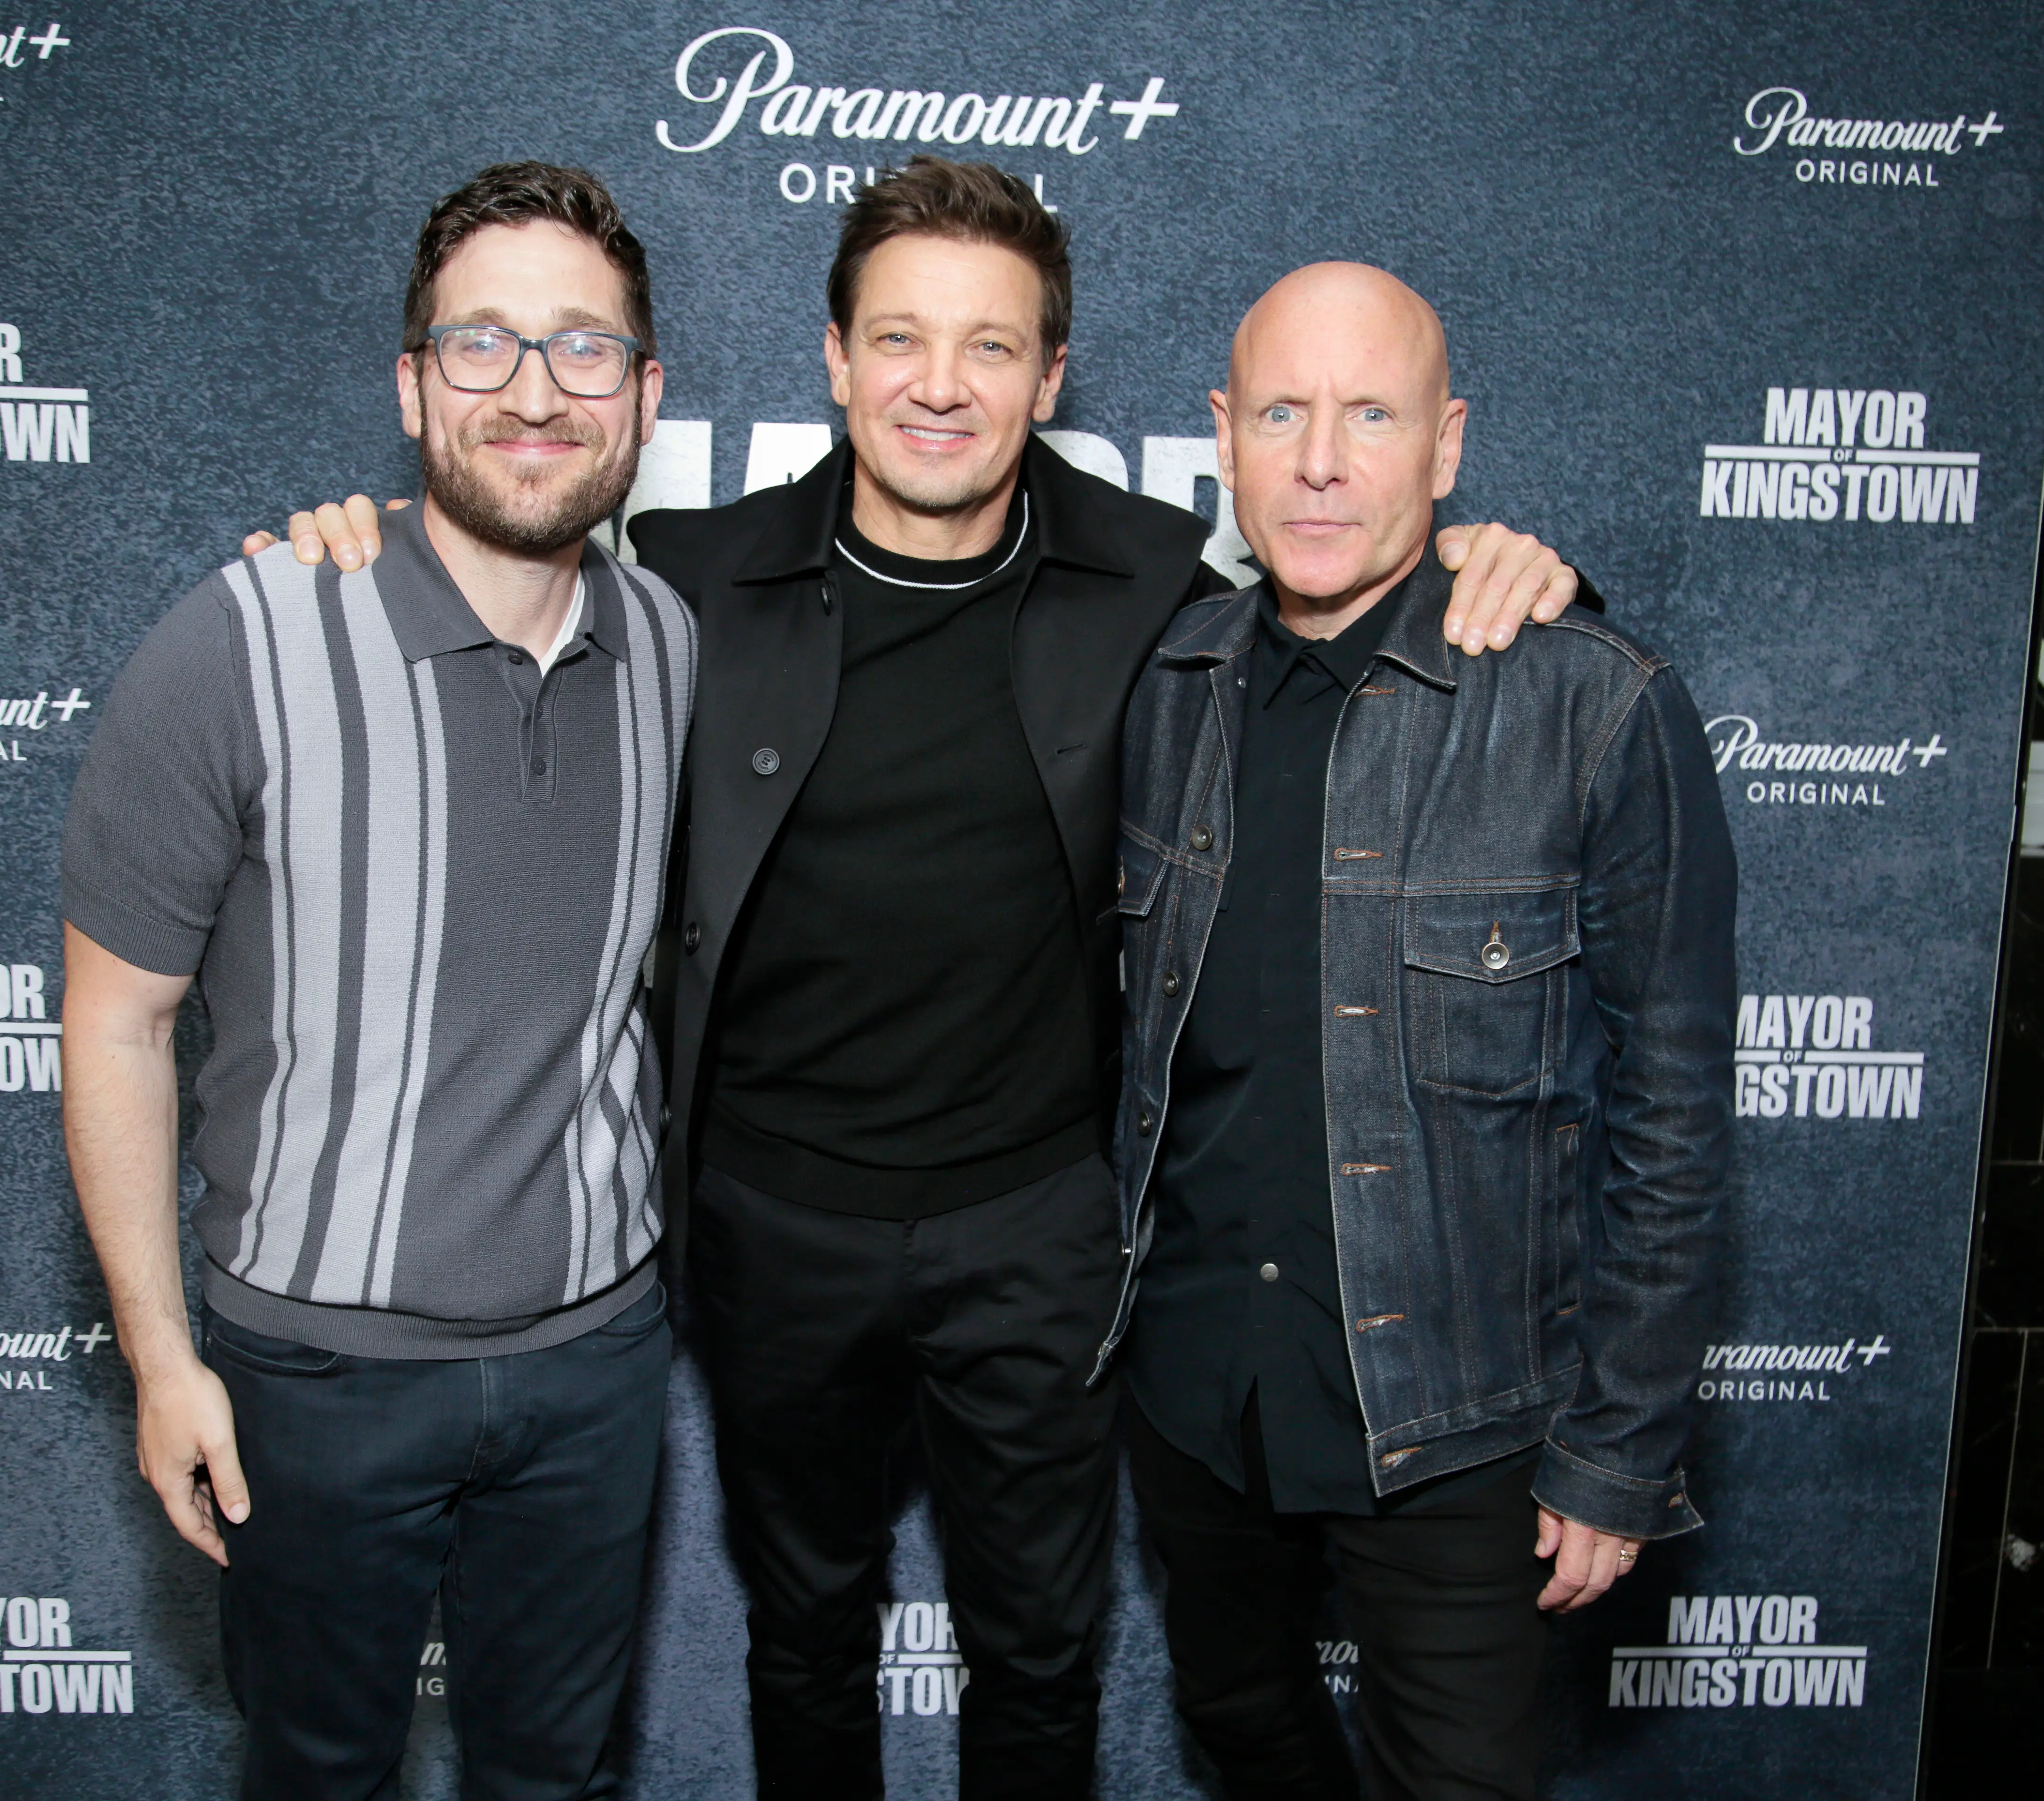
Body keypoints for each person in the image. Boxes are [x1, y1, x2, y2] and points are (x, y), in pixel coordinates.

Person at [263, 158, 1583, 1801]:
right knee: (803, 1627)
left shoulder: (1158, 578)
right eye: (898, 338)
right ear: (831, 357)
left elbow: (1360, 595)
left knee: (1041, 1649)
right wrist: (347, 542)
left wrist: (1522, 574)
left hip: (1037, 1228)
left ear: (1048, 376)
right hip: (770, 1224)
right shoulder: (685, 573)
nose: (939, 387)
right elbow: (485, 559)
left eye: (988, 347)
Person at [60, 163, 694, 1801]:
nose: (536, 392)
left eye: (585, 349)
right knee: (319, 1771)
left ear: (645, 396)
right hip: (317, 1377)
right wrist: (159, 1358)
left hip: (600, 1360)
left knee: (555, 1774)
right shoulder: (243, 639)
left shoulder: (678, 648)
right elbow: (116, 1019)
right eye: (482, 344)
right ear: (413, 385)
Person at [1113, 262, 1735, 1800]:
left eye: (1370, 415)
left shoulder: (1591, 706)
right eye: (1280, 413)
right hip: (1199, 1403)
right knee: (1242, 1733)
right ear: (1224, 437)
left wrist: (1617, 1450)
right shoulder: (1159, 687)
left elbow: (1671, 1115)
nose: (1320, 459)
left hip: (1465, 1434)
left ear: (1446, 448)